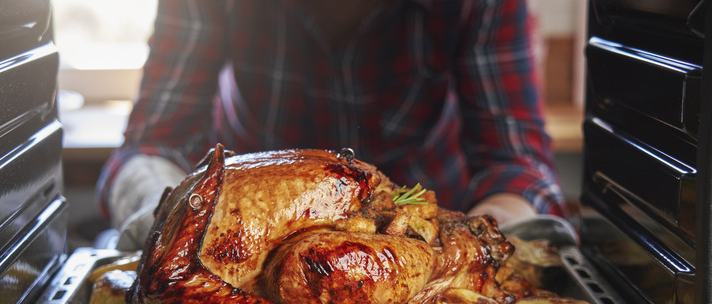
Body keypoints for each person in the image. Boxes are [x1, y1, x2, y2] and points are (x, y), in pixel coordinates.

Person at [96, 0, 567, 250]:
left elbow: (516, 164)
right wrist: (167, 221)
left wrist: (486, 240)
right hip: (238, 236)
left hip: (428, 237)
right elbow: (152, 146)